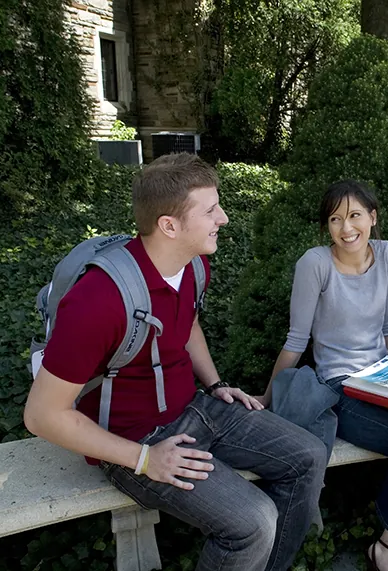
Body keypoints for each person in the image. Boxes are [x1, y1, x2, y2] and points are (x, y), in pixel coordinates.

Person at [24, 153, 327, 571]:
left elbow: (187, 326)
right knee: (253, 522)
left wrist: (216, 384)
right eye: (210, 210)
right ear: (169, 225)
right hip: (133, 442)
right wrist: (145, 460)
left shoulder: (194, 265)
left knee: (308, 456)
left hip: (194, 409)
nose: (223, 218)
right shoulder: (96, 301)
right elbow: (42, 416)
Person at [261, 180, 388, 571]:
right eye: (335, 219)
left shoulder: (386, 254)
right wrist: (266, 400)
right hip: (342, 388)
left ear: (372, 218)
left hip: (384, 378)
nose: (345, 227)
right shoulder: (315, 263)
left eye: (354, 215)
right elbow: (296, 340)